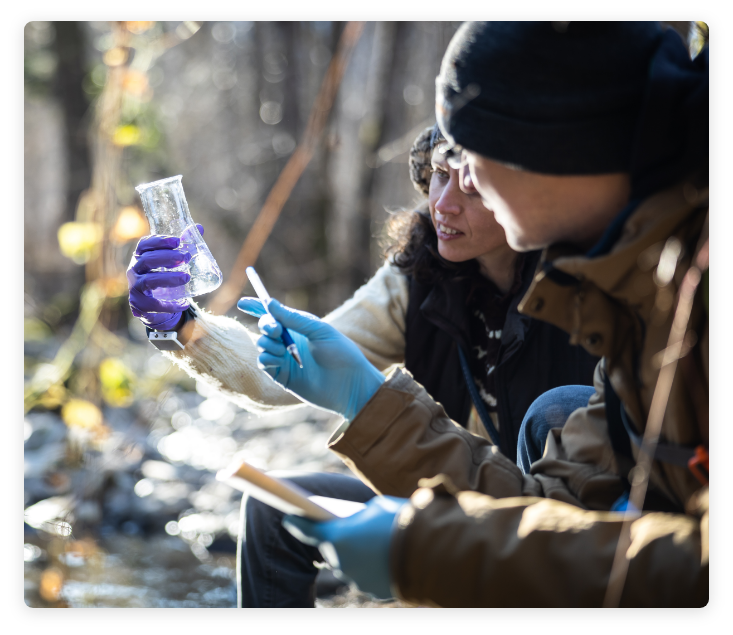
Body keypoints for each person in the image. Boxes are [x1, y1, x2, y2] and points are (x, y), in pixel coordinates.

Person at [254, 21, 709, 607]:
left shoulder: (675, 285)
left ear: (548, 146)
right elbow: (549, 511)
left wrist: (432, 552)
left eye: (473, 155)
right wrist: (366, 402)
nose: (456, 185)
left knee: (553, 412)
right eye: (443, 170)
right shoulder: (641, 295)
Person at [127, 126, 597, 606]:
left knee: (555, 410)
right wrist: (180, 323)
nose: (445, 203)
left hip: (565, 536)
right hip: (453, 499)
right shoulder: (415, 280)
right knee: (272, 510)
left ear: (527, 194)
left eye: (471, 185)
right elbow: (280, 374)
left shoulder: (595, 288)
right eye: (438, 175)